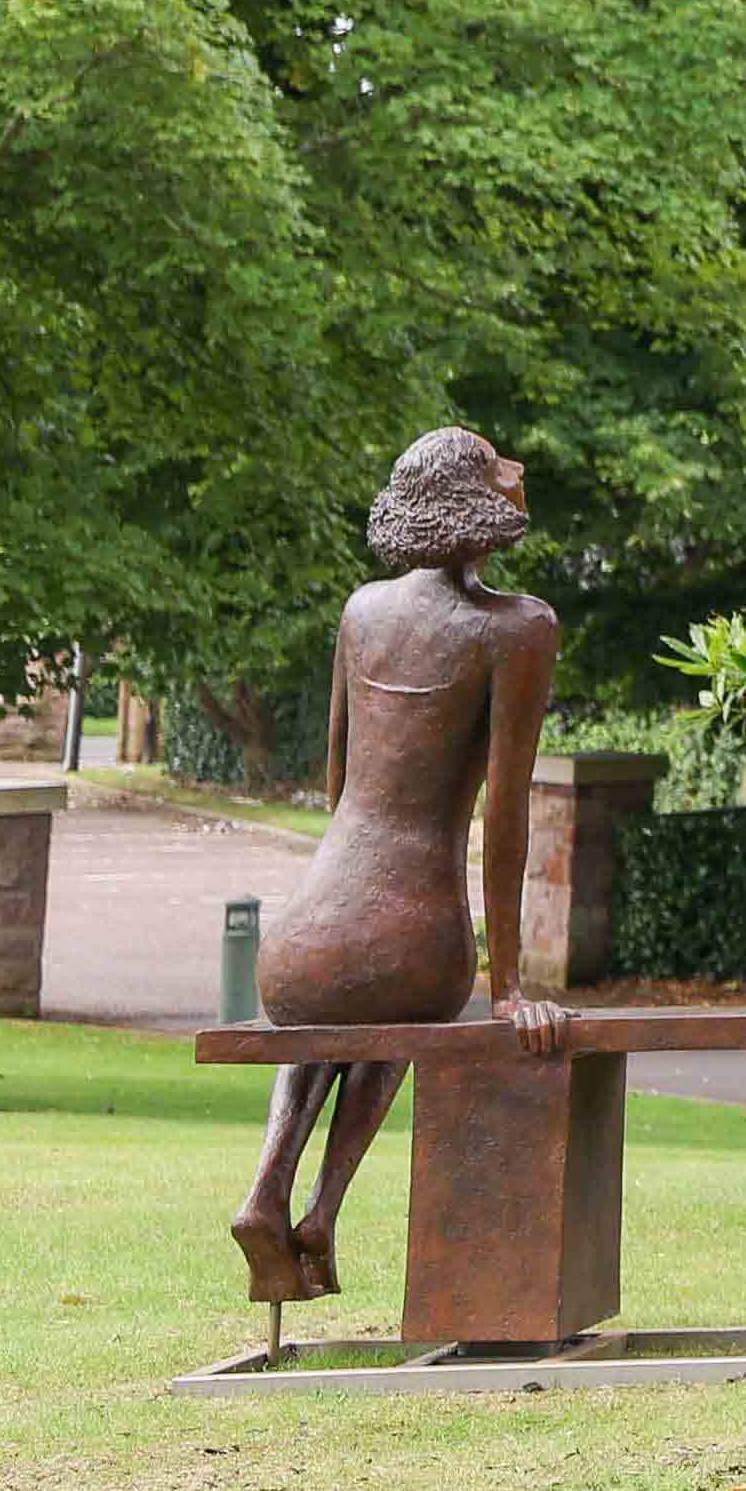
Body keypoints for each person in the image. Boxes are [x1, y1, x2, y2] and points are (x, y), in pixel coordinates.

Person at [230, 429, 571, 1305]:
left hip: (302, 933)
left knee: (329, 1009)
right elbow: (504, 814)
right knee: (396, 1006)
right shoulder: (519, 628)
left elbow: (337, 781)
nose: (517, 474)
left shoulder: (361, 611)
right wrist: (507, 986)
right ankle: (322, 1206)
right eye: (499, 465)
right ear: (471, 498)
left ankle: (268, 1182)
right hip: (412, 929)